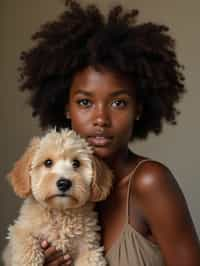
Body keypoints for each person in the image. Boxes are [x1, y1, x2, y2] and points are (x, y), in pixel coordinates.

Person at [18, 0, 200, 265]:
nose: (101, 118)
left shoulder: (150, 182)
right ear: (66, 107)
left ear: (138, 108)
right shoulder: (53, 193)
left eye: (118, 103)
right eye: (85, 102)